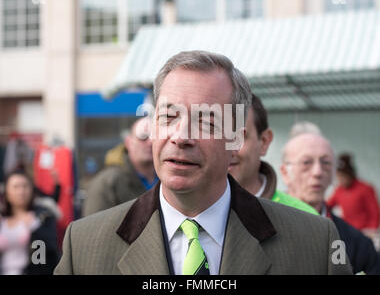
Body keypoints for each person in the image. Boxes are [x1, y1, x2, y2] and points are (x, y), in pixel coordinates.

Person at [54, 50, 351, 275]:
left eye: (206, 121)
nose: (181, 137)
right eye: (168, 118)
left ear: (236, 139)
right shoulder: (84, 247)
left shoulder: (313, 244)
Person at [281, 131, 380, 274]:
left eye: (326, 163)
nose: (318, 172)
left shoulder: (360, 245)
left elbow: (374, 211)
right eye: (306, 162)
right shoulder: (260, 227)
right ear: (285, 172)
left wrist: (371, 229)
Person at [228, 94, 318, 215]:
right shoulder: (194, 212)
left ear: (264, 141)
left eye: (237, 137)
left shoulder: (303, 218)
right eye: (214, 134)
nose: (226, 148)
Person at [82, 117, 158, 217]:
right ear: (128, 142)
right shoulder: (107, 183)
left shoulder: (169, 179)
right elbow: (93, 229)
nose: (150, 142)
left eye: (155, 137)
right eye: (143, 137)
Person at [0, 170, 60, 275]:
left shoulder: (42, 217)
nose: (21, 191)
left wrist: (35, 228)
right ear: (7, 192)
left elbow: (48, 251)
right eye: (16, 187)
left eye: (25, 186)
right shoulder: (3, 219)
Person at [327, 153, 380, 234]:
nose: (341, 180)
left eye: (343, 177)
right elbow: (327, 206)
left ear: (350, 175)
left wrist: (371, 230)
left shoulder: (365, 188)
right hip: (349, 232)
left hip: (365, 232)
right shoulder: (339, 190)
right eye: (339, 177)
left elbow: (375, 213)